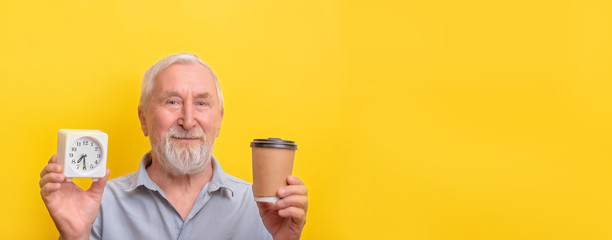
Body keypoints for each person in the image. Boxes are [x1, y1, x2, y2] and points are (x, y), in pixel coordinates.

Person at [39, 53, 308, 240]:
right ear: (144, 119)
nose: (188, 120)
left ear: (219, 120)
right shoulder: (98, 206)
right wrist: (74, 236)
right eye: (172, 102)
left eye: (202, 103)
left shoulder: (262, 209)